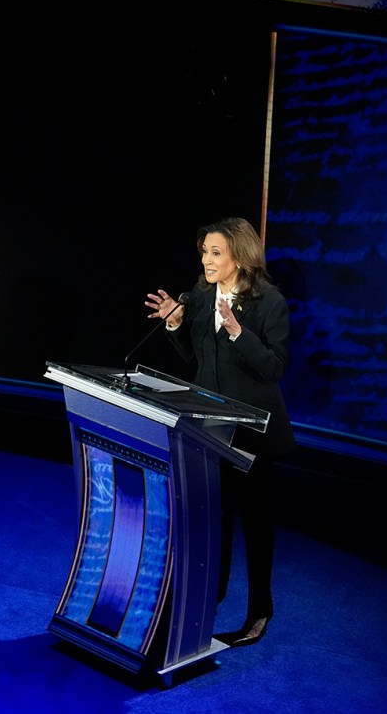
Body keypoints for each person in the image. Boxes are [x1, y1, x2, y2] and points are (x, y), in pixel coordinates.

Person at [144, 216, 295, 648]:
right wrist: (174, 322)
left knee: (255, 524)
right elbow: (198, 360)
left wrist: (236, 330)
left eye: (215, 252)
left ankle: (259, 611)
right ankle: (211, 596)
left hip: (253, 433)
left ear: (239, 256)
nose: (207, 260)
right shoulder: (200, 296)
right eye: (204, 252)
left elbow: (274, 367)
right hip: (209, 428)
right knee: (215, 518)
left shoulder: (269, 302)